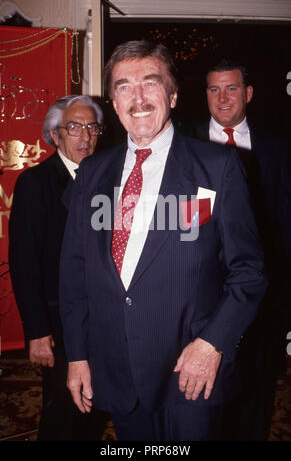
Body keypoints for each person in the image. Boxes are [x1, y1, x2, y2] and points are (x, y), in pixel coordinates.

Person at [59, 41, 267, 441]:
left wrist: (212, 344)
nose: (137, 98)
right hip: (117, 367)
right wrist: (78, 354)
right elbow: (75, 272)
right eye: (123, 86)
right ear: (113, 103)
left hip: (189, 369)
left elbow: (249, 272)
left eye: (150, 83)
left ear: (172, 95)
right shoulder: (92, 173)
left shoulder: (218, 167)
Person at [193, 58, 291, 440]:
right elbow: (189, 224)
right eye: (214, 89)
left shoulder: (279, 150)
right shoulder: (188, 145)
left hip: (263, 295)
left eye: (231, 88)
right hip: (204, 295)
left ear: (247, 93)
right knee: (205, 392)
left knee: (256, 388)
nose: (222, 98)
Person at [9, 95, 107, 441]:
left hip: (103, 317)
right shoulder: (35, 183)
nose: (85, 136)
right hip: (58, 321)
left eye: (92, 127)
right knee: (63, 408)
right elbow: (24, 262)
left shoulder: (108, 178)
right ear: (55, 135)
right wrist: (36, 331)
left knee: (95, 406)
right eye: (74, 127)